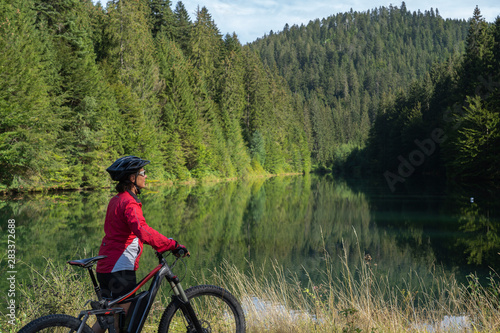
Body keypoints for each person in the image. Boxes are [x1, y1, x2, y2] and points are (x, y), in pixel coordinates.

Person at [93, 155, 188, 333]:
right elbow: (142, 230)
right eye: (143, 173)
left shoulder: (115, 200)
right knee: (124, 323)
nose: (146, 176)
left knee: (108, 318)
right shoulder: (129, 202)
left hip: (105, 267)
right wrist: (171, 244)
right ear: (132, 178)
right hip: (119, 268)